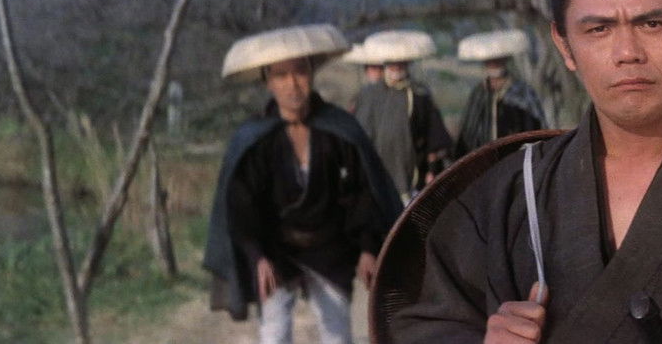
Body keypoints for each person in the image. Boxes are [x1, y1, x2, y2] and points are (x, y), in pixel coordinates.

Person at [391, 0, 662, 342]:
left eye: (652, 23)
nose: (627, 53)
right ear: (564, 45)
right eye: (598, 30)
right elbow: (423, 327)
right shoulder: (509, 196)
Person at [203, 24, 402, 344]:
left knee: (337, 336)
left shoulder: (339, 129)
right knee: (274, 334)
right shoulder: (255, 139)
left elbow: (361, 192)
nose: (292, 84)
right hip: (277, 249)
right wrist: (257, 256)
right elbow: (242, 204)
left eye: (299, 72)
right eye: (281, 76)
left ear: (311, 74)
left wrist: (368, 248)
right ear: (268, 82)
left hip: (331, 247)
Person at [352, 30, 453, 205]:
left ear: (408, 64)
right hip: (376, 176)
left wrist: (431, 169)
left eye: (401, 63)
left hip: (412, 177)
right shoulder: (370, 94)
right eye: (392, 63)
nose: (396, 68)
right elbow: (360, 134)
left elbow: (433, 135)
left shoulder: (419, 94)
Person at [454, 29, 546, 159]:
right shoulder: (479, 93)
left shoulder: (521, 91)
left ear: (505, 60)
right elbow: (469, 129)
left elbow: (536, 127)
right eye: (489, 61)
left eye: (498, 60)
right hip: (484, 161)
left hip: (515, 158)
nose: (493, 64)